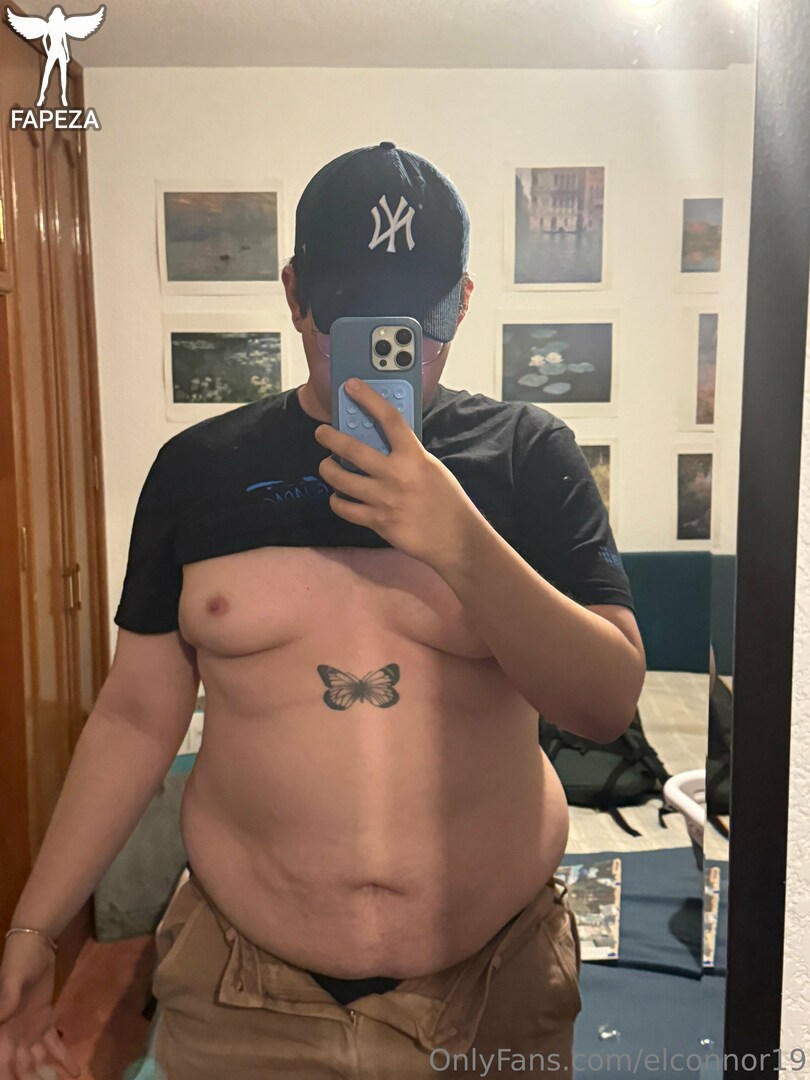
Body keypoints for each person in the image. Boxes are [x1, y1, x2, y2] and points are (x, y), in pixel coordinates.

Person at [0, 141, 645, 1080]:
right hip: (243, 991)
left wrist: (459, 541)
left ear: (462, 302)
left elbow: (605, 704)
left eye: (418, 323)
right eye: (351, 318)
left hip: (493, 986)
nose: (389, 353)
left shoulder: (529, 456)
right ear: (296, 293)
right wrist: (33, 926)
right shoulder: (196, 471)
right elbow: (136, 716)